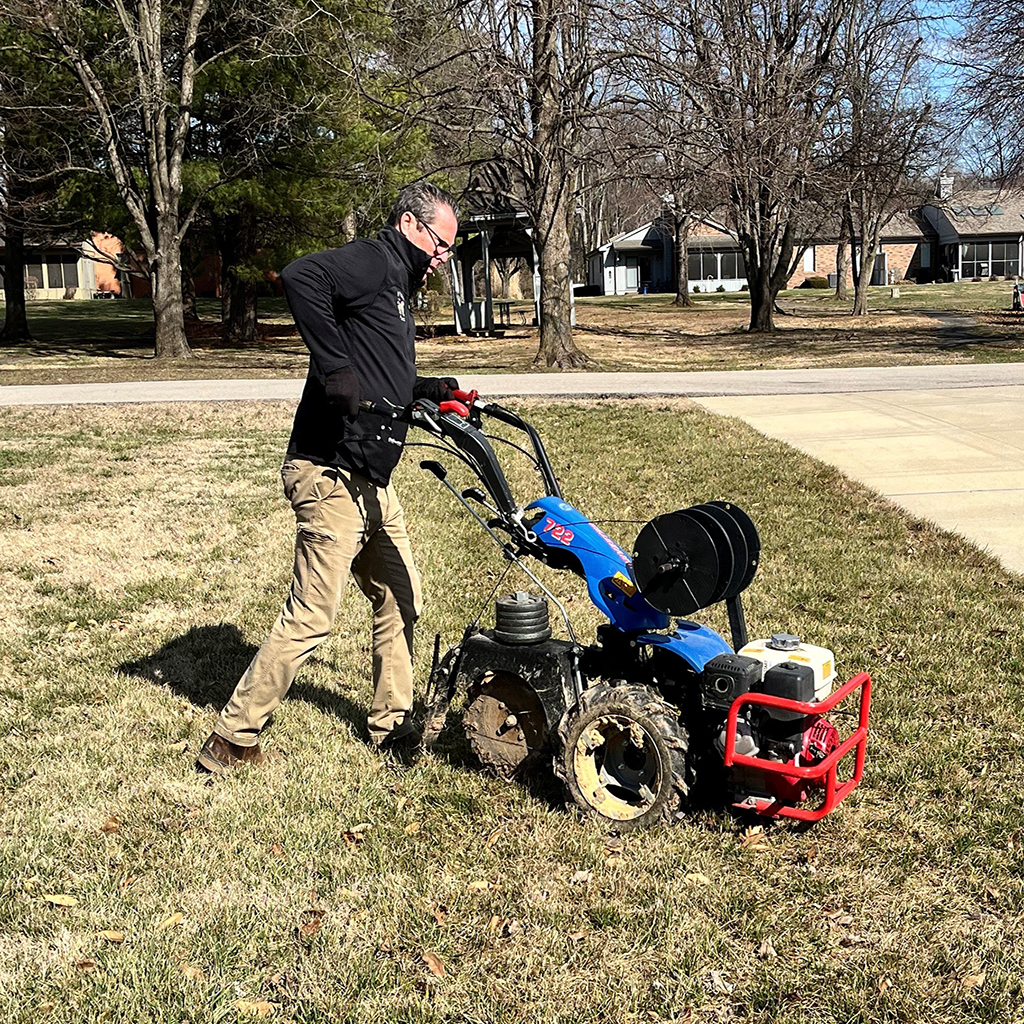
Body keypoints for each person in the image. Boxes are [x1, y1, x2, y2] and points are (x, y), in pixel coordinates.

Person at [197, 182, 461, 773]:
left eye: (449, 248)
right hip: (329, 472)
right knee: (313, 616)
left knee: (401, 596)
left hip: (371, 479)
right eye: (440, 244)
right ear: (410, 224)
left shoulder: (398, 284)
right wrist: (334, 366)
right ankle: (232, 738)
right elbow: (300, 277)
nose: (444, 257)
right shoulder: (375, 260)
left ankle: (391, 725)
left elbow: (379, 372)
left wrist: (425, 390)